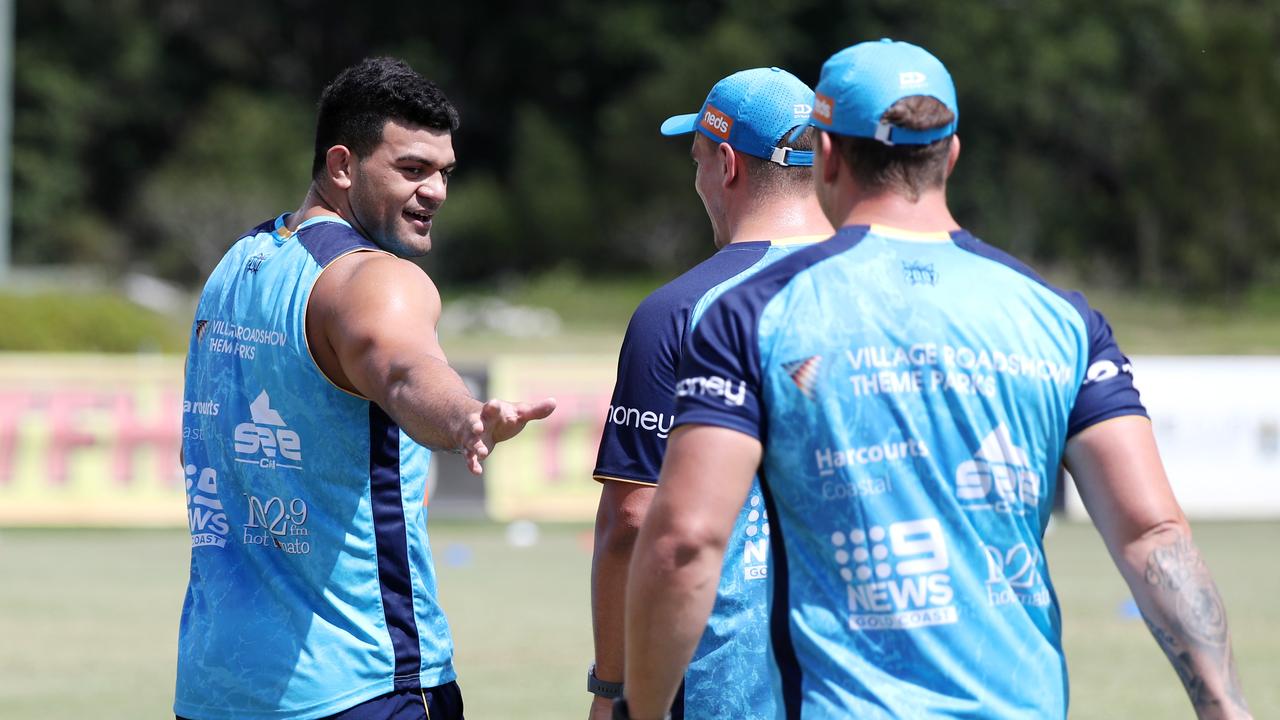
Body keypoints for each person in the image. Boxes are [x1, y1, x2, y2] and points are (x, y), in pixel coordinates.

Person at [617, 39, 1252, 720]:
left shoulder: (753, 314)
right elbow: (1152, 534)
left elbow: (684, 540)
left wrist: (638, 710)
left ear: (827, 154)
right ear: (950, 154)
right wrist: (1224, 706)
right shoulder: (1061, 319)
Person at [175, 57, 555, 720]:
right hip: (360, 684)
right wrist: (464, 416)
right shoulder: (375, 280)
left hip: (217, 687)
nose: (436, 191)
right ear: (343, 166)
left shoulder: (238, 265)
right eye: (412, 169)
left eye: (444, 173)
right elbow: (405, 369)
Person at [588, 67, 831, 720]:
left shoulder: (680, 310)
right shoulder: (887, 295)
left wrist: (613, 692)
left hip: (726, 690)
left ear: (726, 164)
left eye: (696, 160)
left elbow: (632, 522)